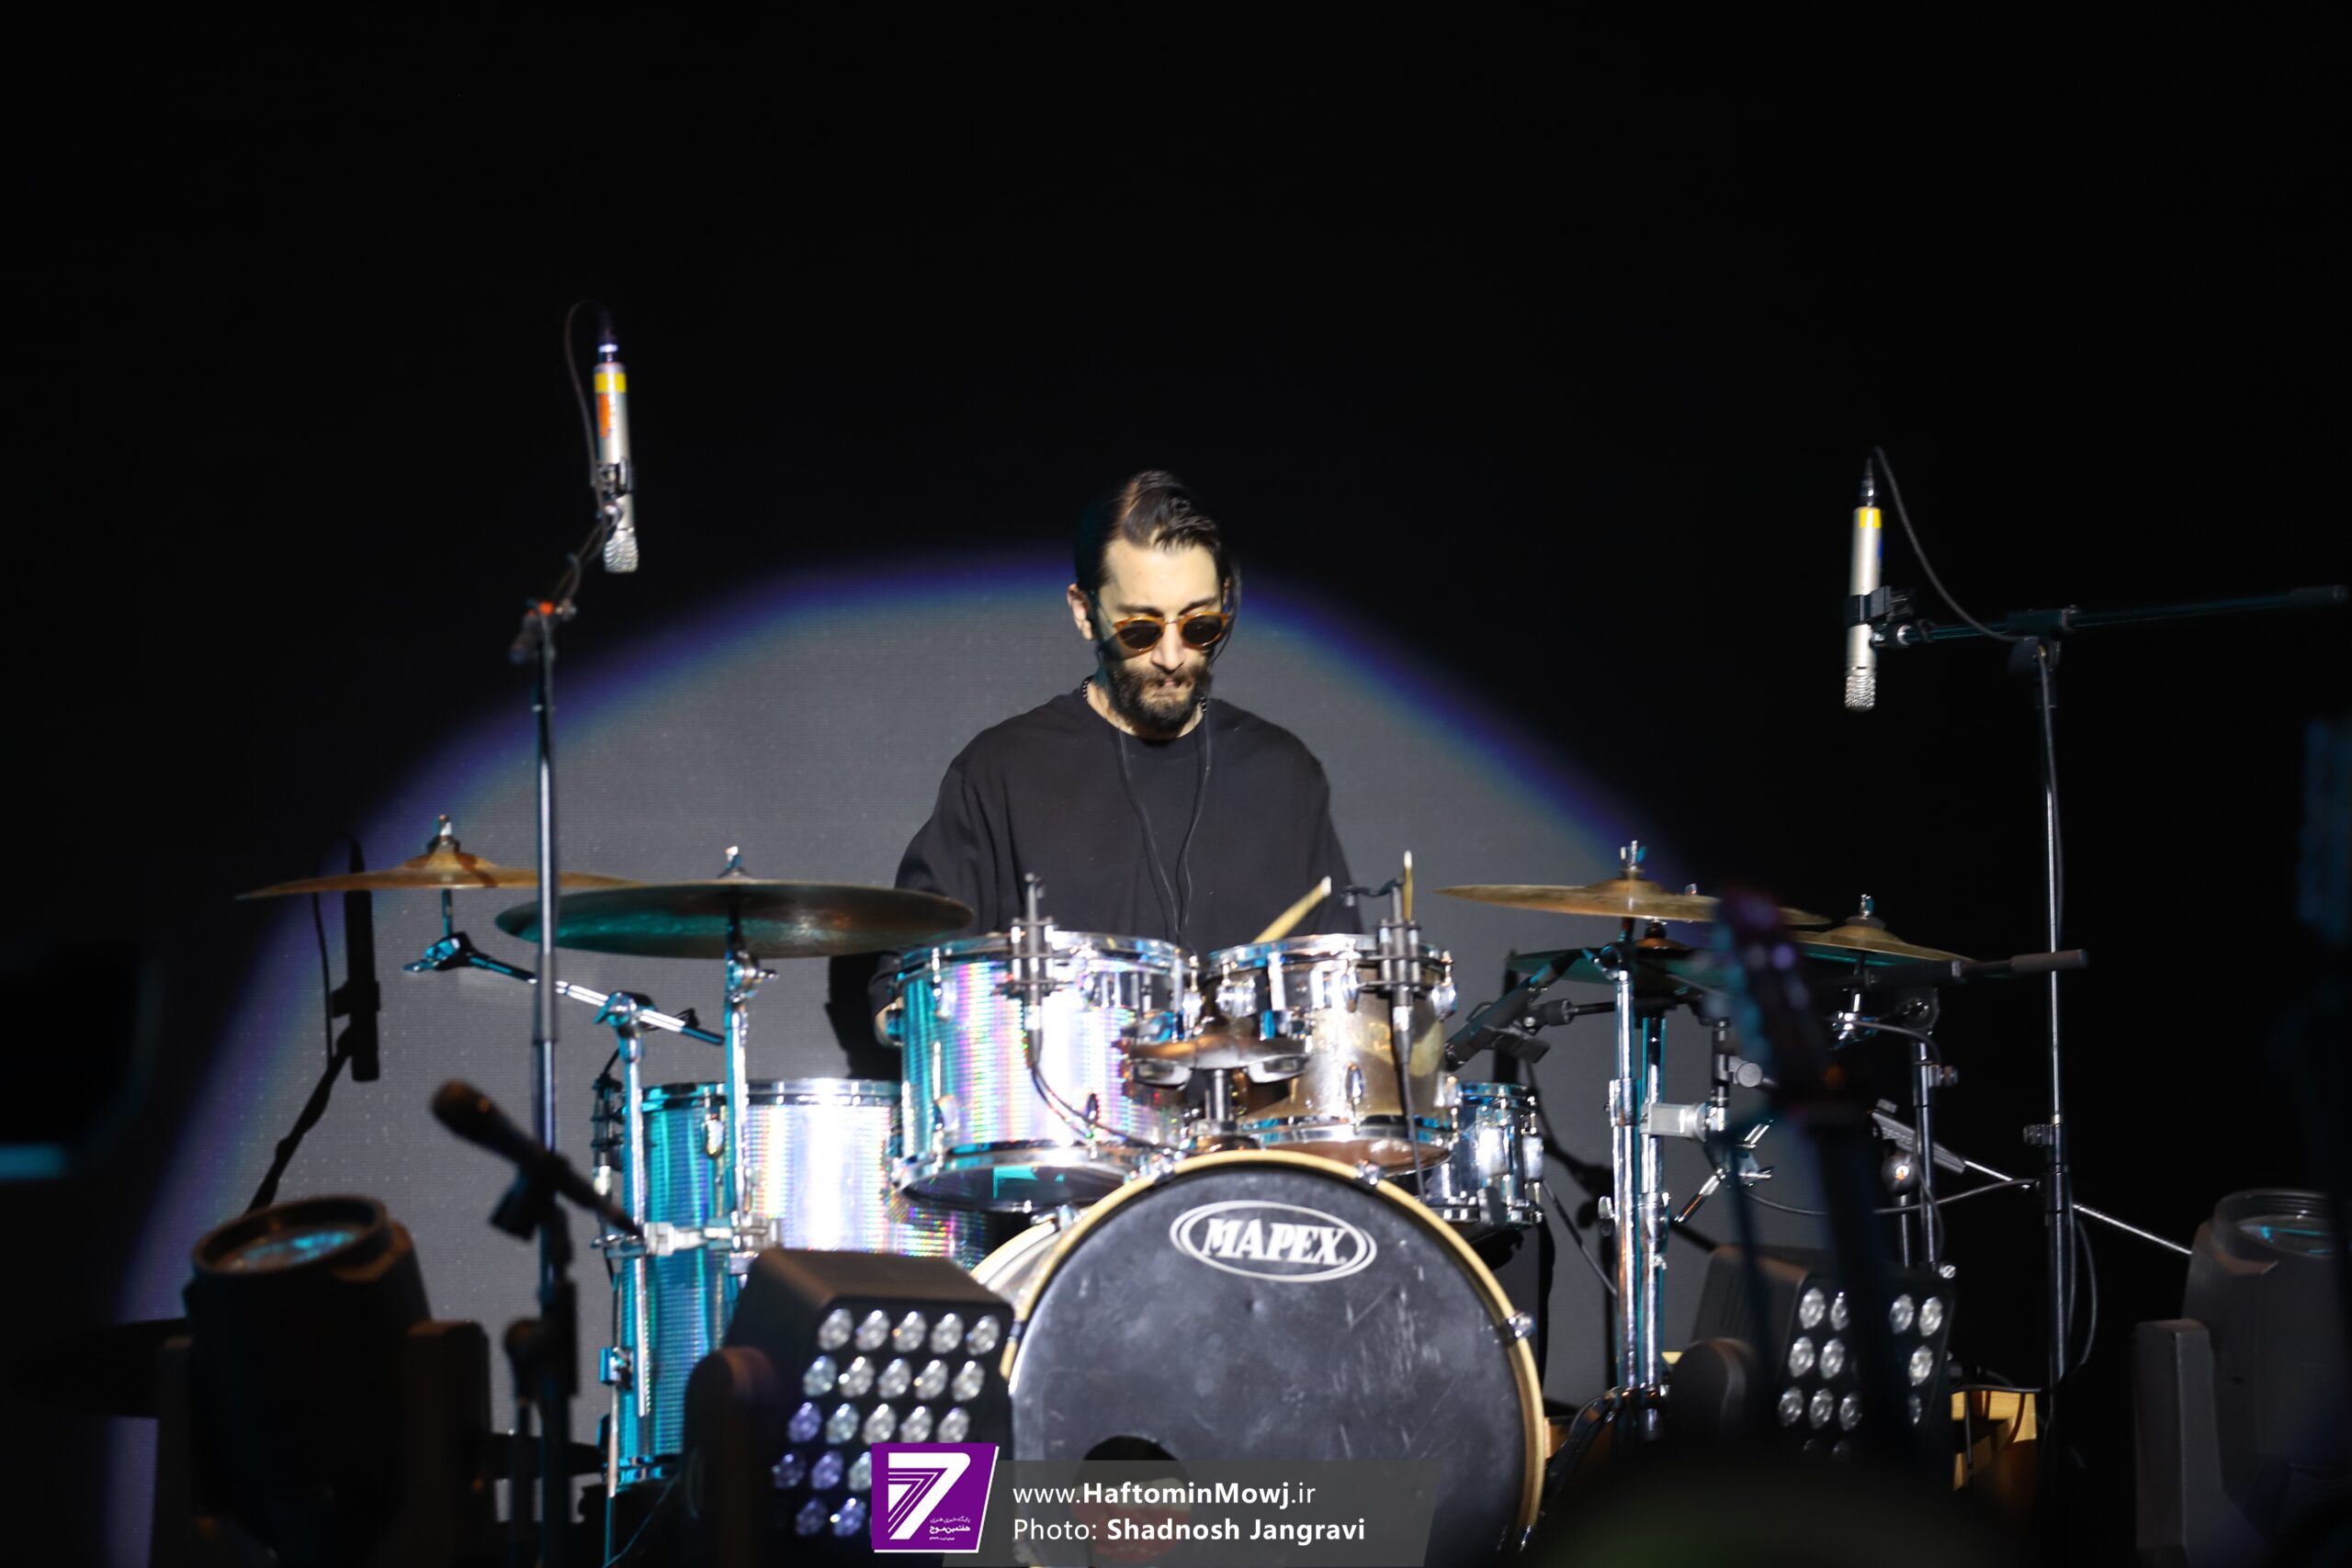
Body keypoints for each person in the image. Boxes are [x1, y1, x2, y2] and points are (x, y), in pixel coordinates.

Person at [888, 470, 1355, 948]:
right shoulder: (998, 773)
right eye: (1140, 630)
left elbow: (1344, 981)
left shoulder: (1285, 774)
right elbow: (910, 983)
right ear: (1084, 612)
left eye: (1199, 625)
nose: (1171, 657)